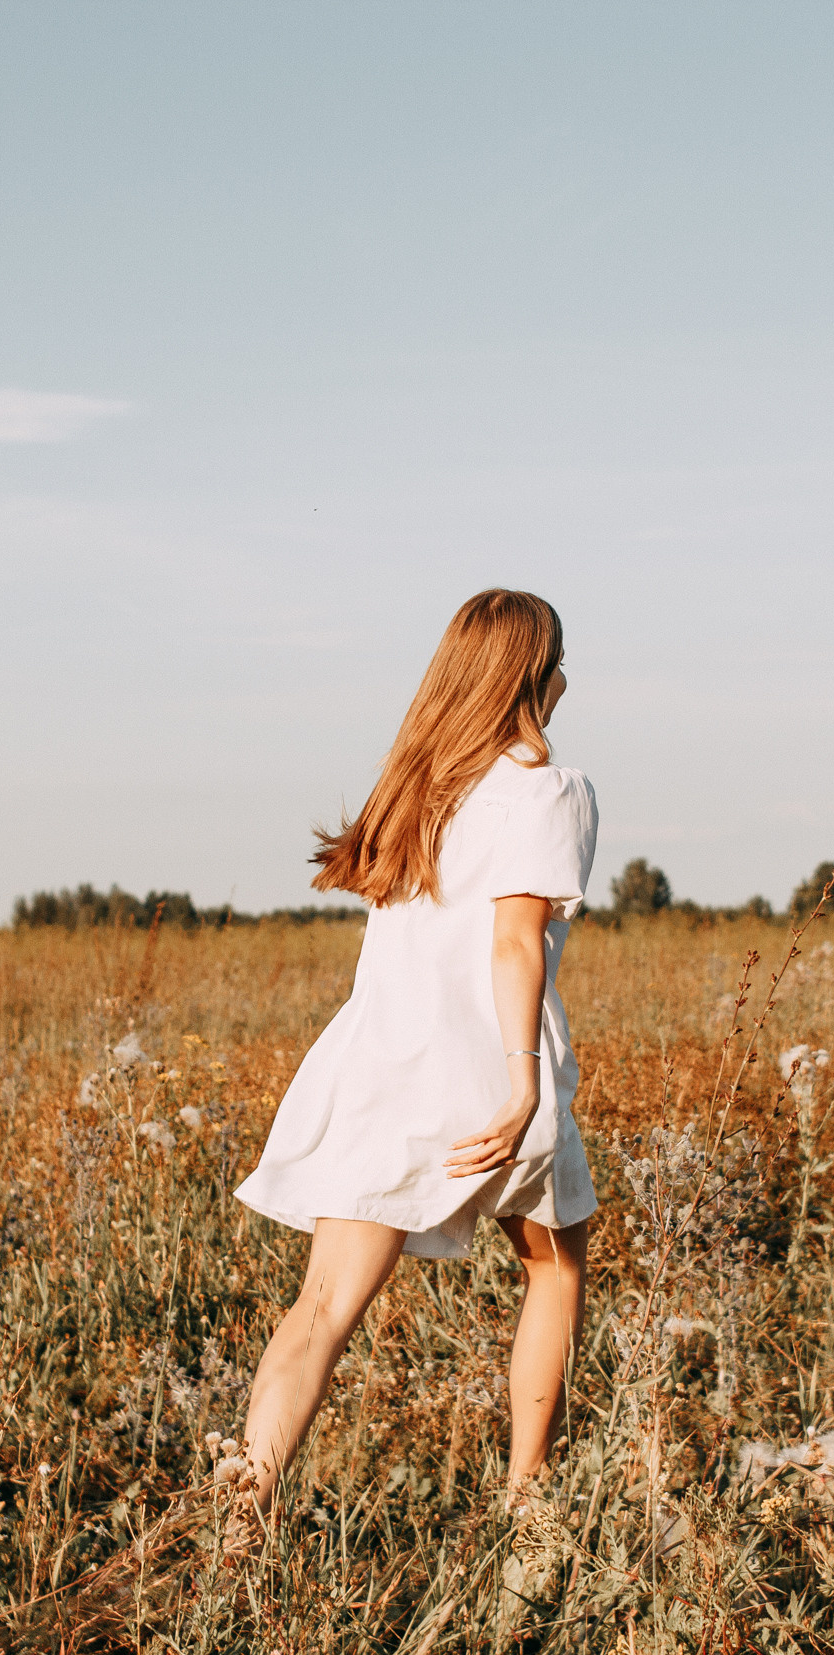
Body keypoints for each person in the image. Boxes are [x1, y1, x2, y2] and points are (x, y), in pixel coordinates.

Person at [228, 588, 599, 1528]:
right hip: (485, 1073)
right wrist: (522, 1086)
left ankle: (235, 1526)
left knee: (318, 1313)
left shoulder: (414, 796)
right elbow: (515, 944)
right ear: (531, 677)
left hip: (382, 1067)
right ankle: (527, 1506)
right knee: (554, 1271)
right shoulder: (545, 788)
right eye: (558, 660)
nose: (568, 678)